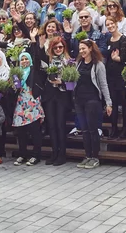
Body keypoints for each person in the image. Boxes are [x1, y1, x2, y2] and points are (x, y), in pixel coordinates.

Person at [74, 39, 112, 169]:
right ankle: (88, 155)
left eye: (84, 48)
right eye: (80, 49)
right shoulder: (78, 63)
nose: (81, 51)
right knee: (84, 129)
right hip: (79, 100)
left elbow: (103, 84)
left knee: (92, 129)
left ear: (90, 48)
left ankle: (95, 157)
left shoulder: (98, 65)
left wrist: (108, 103)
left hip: (92, 100)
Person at [37, 37, 71, 166]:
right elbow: (39, 56)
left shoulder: (68, 61)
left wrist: (61, 82)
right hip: (50, 95)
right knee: (51, 125)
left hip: (62, 95)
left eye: (60, 47)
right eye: (55, 47)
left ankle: (62, 154)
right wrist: (40, 44)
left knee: (60, 125)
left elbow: (72, 80)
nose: (58, 49)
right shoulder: (48, 59)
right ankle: (54, 152)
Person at [12, 51, 45, 166]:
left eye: (26, 59)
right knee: (21, 131)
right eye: (22, 59)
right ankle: (22, 154)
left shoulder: (34, 70)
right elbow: (14, 88)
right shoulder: (17, 72)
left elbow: (38, 56)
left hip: (32, 103)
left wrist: (33, 41)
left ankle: (36, 155)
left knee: (34, 130)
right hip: (20, 103)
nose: (24, 61)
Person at [104, 16, 126, 139]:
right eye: (107, 24)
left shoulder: (123, 39)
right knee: (113, 103)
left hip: (121, 76)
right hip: (110, 76)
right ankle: (113, 129)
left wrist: (117, 59)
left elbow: (124, 57)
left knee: (124, 104)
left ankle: (124, 130)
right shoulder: (108, 39)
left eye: (111, 23)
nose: (110, 26)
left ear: (116, 24)